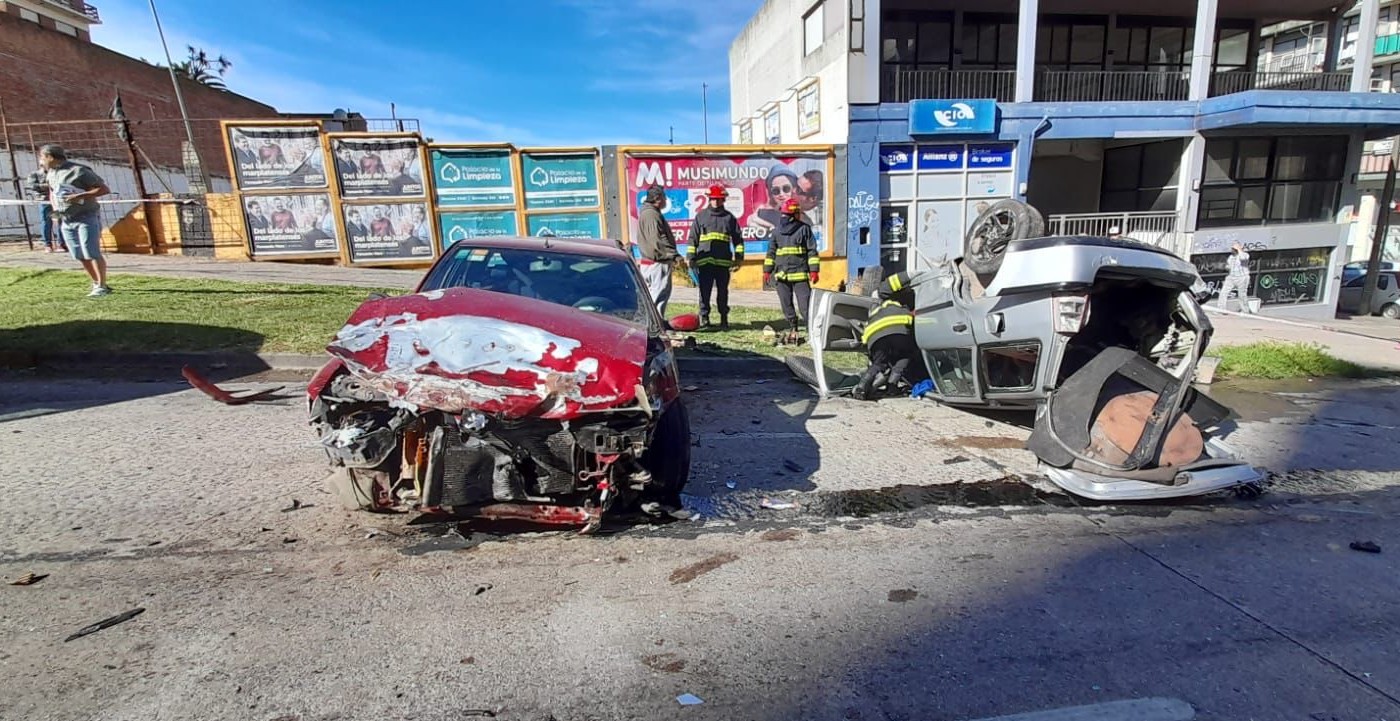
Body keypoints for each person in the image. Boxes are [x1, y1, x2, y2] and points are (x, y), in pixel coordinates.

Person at [41, 144, 112, 296]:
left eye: (42, 157)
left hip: (86, 216)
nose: (41, 161)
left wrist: (79, 196)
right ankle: (96, 283)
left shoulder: (79, 170)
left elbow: (104, 189)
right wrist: (56, 212)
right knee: (78, 254)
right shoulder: (51, 173)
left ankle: (102, 285)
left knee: (91, 251)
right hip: (66, 219)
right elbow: (53, 192)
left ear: (50, 157)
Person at [852, 280, 929, 401]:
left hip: (875, 338)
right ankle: (891, 388)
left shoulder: (876, 312)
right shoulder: (901, 308)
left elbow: (866, 334)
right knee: (904, 357)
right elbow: (912, 325)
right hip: (898, 334)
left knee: (879, 364)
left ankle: (861, 388)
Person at [686, 184, 744, 331]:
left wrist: (739, 257)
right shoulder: (701, 217)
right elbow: (693, 238)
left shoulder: (729, 218)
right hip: (705, 262)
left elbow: (738, 240)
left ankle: (724, 318)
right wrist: (691, 257)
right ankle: (704, 318)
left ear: (723, 200)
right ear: (708, 199)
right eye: (713, 199)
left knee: (723, 292)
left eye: (719, 199)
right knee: (704, 292)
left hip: (723, 262)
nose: (716, 202)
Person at [764, 199, 820, 344]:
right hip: (785, 276)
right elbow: (771, 253)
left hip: (794, 276)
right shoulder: (778, 232)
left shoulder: (803, 229)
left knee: (803, 306)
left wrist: (814, 270)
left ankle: (811, 331)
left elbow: (811, 252)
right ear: (794, 214)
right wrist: (767, 271)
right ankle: (794, 328)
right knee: (789, 305)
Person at [637, 183, 681, 317]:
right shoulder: (651, 215)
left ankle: (654, 323)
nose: (666, 200)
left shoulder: (649, 213)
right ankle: (655, 325)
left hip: (652, 261)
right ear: (657, 199)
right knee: (658, 295)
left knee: (653, 295)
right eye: (664, 197)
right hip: (657, 263)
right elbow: (657, 240)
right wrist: (673, 255)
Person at [25, 168, 64, 253]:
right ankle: (47, 244)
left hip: (56, 201)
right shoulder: (34, 174)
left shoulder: (57, 173)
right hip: (44, 201)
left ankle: (61, 244)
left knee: (59, 221)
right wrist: (48, 186)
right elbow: (32, 186)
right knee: (46, 222)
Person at [1218, 242, 1253, 313]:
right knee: (1223, 292)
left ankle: (1245, 311)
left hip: (1242, 277)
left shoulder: (1245, 255)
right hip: (1231, 277)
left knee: (1242, 295)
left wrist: (1239, 249)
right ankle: (1221, 309)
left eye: (1233, 249)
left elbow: (1243, 258)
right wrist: (1225, 267)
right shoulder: (1231, 257)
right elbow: (1229, 266)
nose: (1232, 250)